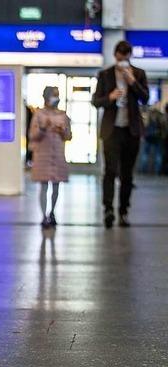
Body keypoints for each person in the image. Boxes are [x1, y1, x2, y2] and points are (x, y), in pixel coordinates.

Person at [92, 40, 149, 228]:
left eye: (126, 56)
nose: (122, 59)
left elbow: (145, 98)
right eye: (119, 56)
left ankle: (123, 211)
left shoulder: (138, 73)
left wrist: (132, 81)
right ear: (115, 55)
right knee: (110, 171)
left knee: (127, 174)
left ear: (129, 56)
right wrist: (110, 97)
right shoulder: (105, 74)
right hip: (111, 130)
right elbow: (96, 101)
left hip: (131, 131)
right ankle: (108, 209)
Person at [28, 87, 72, 228]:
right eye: (54, 95)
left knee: (56, 186)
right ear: (46, 97)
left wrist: (62, 131)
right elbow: (32, 135)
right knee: (44, 186)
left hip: (57, 154)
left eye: (58, 95)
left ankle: (52, 212)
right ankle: (43, 216)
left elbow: (69, 136)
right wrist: (43, 128)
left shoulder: (63, 115)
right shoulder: (39, 114)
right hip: (42, 155)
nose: (56, 98)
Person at [139, 104, 167, 174]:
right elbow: (164, 127)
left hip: (148, 137)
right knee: (158, 155)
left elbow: (144, 125)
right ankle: (157, 170)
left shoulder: (148, 116)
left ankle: (143, 170)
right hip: (157, 138)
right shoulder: (161, 117)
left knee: (145, 154)